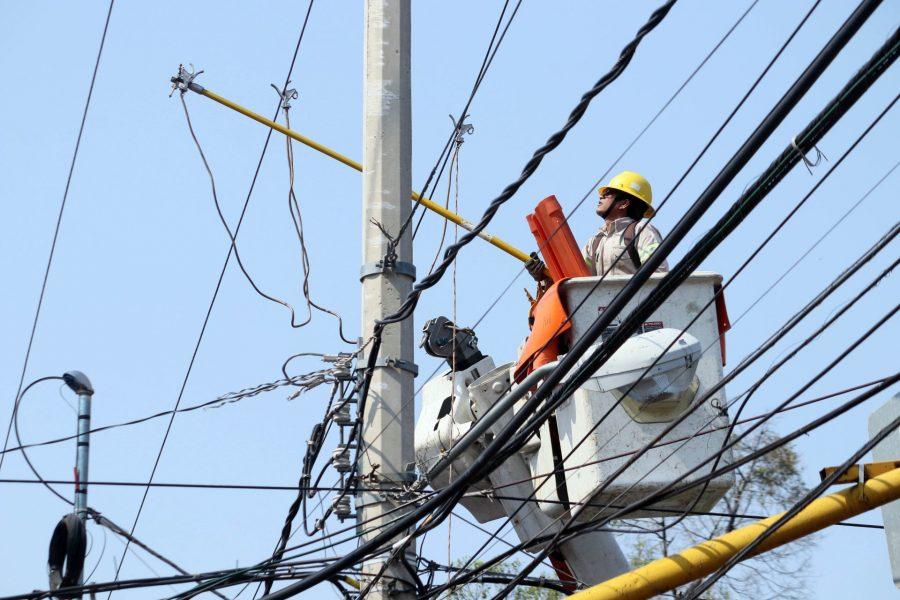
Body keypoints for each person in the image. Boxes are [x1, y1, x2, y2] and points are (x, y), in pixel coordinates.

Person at [582, 170, 668, 277]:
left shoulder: (642, 231)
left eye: (608, 193)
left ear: (624, 203)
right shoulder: (594, 242)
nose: (601, 196)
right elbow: (578, 275)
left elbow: (657, 274)